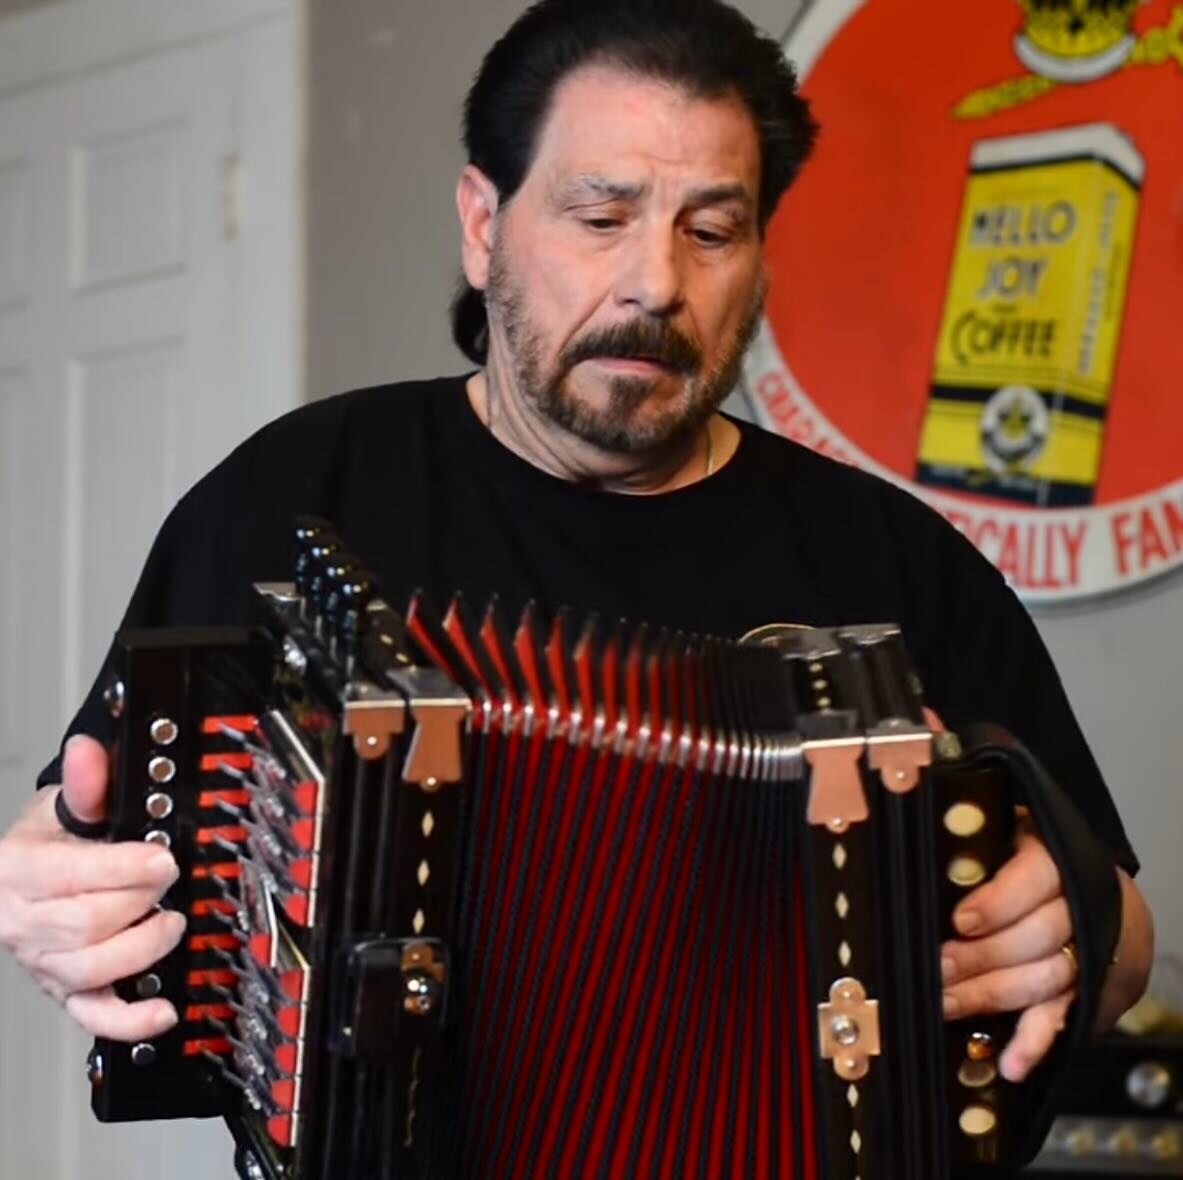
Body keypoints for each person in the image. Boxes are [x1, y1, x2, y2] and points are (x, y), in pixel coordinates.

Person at [0, 0, 1153, 1172]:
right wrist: (51, 896)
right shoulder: (294, 493)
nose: (654, 282)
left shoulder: (895, 561)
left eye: (712, 230)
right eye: (600, 215)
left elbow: (1117, 938)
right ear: (481, 225)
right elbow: (85, 830)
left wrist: (1071, 937)